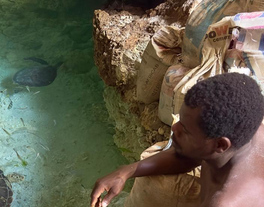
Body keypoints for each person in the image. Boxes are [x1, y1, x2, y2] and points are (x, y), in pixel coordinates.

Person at [90, 72, 264, 207]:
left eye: (185, 130)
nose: (174, 128)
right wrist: (124, 172)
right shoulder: (242, 135)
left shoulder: (226, 201)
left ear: (220, 144)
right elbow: (189, 158)